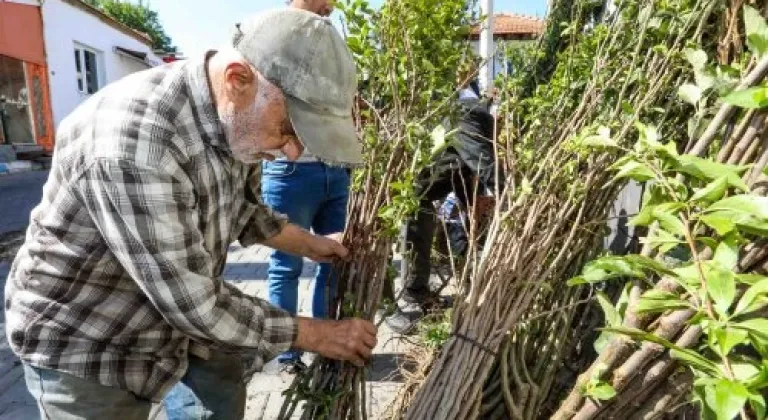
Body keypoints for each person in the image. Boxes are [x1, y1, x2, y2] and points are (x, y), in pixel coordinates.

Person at [4, 9, 375, 419]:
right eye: (288, 129)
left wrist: (313, 245)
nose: (291, 152)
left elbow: (242, 210)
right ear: (237, 80)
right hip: (90, 338)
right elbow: (196, 306)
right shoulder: (135, 147)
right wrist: (318, 335)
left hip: (182, 315)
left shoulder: (237, 120)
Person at [261, 0, 351, 375]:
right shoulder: (274, 38)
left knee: (333, 259)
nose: (330, 6)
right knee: (286, 265)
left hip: (335, 170)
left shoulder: (329, 41)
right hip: (291, 173)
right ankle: (288, 354)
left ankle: (328, 345)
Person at [385, 69, 501, 335]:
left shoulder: (471, 112)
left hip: (423, 193)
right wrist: (508, 195)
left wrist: (470, 205)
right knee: (382, 251)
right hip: (398, 188)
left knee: (420, 239)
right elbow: (482, 162)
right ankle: (384, 306)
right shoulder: (470, 113)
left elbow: (464, 169)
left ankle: (416, 290)